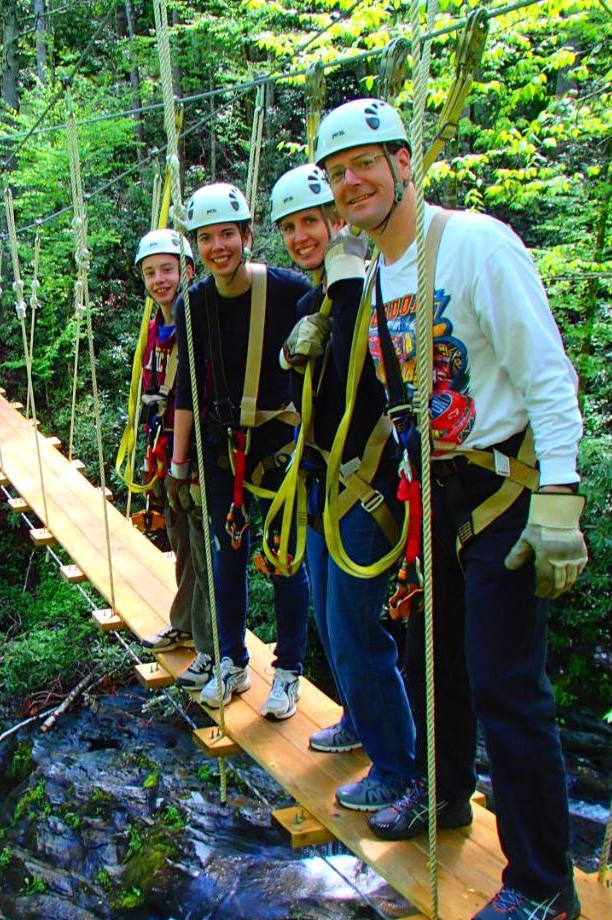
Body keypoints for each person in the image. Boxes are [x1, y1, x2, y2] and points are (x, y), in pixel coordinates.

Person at [313, 97, 589, 920]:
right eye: (337, 173)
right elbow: (410, 409)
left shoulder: (473, 246)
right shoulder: (380, 273)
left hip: (506, 490)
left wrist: (561, 500)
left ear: (405, 164)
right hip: (434, 493)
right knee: (434, 663)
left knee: (508, 688)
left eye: (366, 163)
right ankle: (437, 791)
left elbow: (547, 374)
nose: (352, 182)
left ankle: (544, 883)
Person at [269, 163, 416, 813]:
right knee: (332, 624)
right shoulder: (308, 304)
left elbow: (387, 385)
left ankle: (398, 767)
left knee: (358, 630)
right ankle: (361, 721)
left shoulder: (379, 289)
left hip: (368, 488)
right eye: (292, 228)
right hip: (322, 484)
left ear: (338, 222)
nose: (303, 237)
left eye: (313, 222)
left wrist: (352, 285)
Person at [165, 182, 312, 717]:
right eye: (206, 238)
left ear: (248, 236)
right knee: (226, 554)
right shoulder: (193, 304)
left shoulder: (290, 290)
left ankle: (290, 669)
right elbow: (188, 389)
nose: (218, 247)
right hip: (220, 446)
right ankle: (231, 660)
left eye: (227, 234)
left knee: (284, 559)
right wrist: (180, 463)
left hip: (277, 447)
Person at [132, 229, 215, 686]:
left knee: (204, 549)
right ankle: (184, 625)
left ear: (186, 269)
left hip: (197, 453)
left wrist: (185, 460)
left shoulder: (196, 318)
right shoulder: (156, 323)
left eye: (167, 269)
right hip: (166, 450)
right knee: (181, 544)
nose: (160, 279)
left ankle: (209, 645)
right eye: (151, 272)